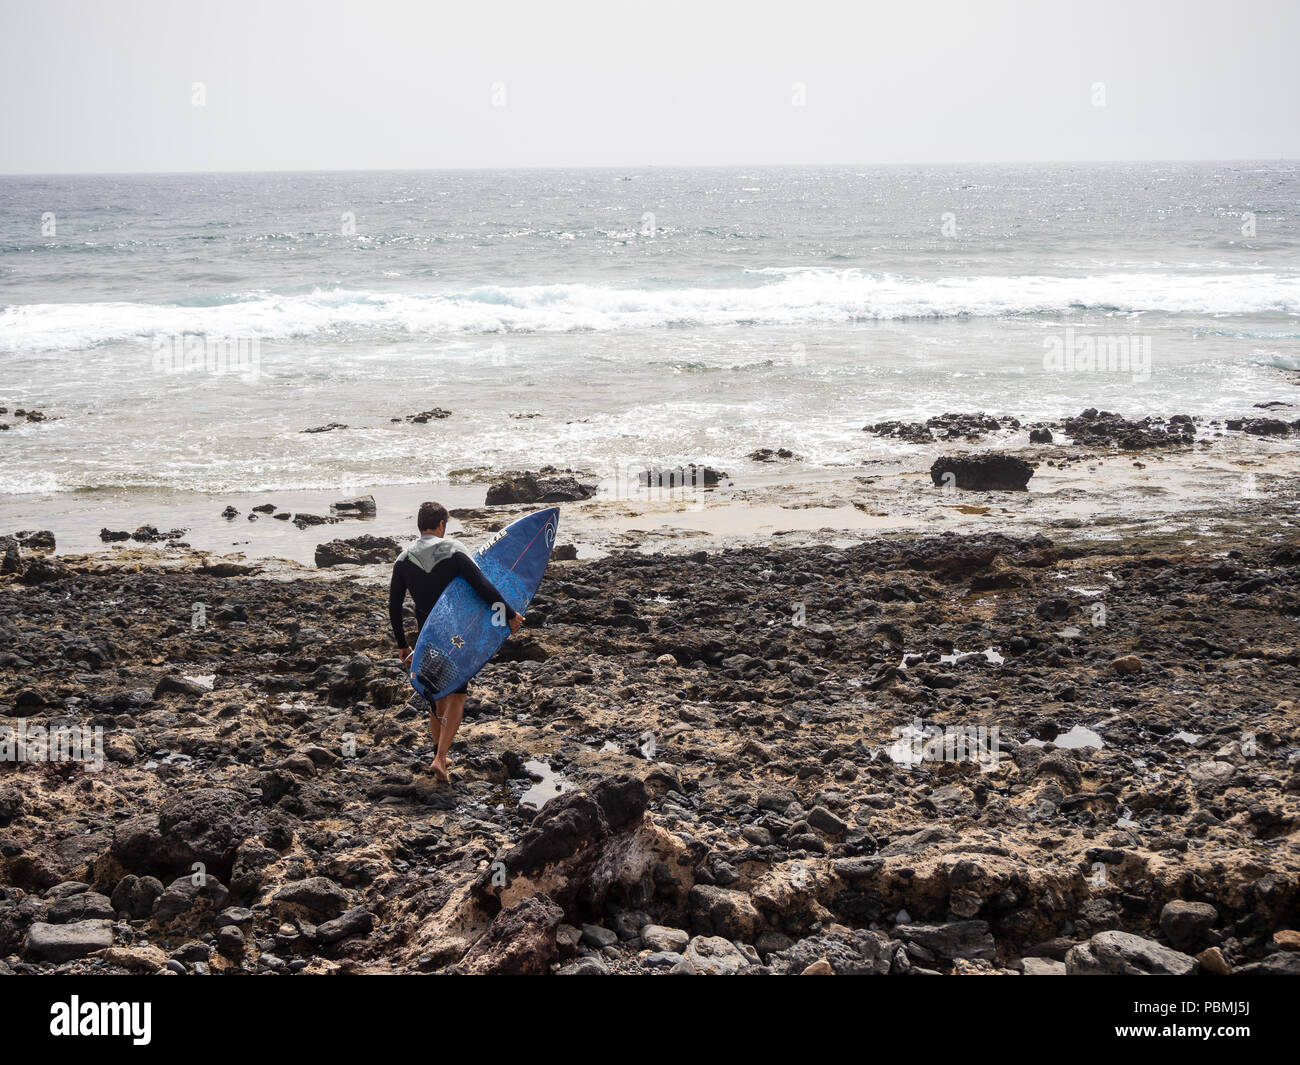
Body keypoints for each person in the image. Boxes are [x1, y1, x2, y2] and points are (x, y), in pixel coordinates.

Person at [389, 501, 523, 783]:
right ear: (441, 525)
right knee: (458, 694)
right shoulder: (453, 550)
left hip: (426, 634)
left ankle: (438, 751)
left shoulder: (403, 560)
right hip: (456, 634)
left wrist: (403, 644)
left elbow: (394, 605)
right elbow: (482, 586)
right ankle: (440, 759)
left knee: (437, 695)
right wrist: (508, 614)